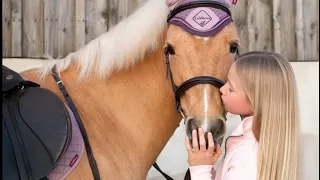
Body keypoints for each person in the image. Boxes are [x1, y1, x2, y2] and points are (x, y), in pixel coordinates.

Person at [185, 51, 300, 180]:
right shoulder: (252, 145)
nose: (222, 89)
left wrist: (200, 169)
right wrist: (208, 170)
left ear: (255, 101)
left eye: (231, 88)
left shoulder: (247, 156)